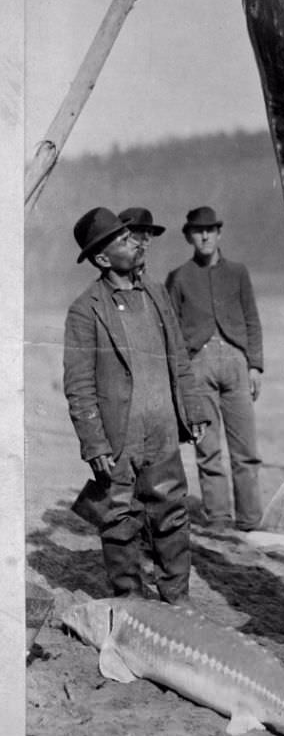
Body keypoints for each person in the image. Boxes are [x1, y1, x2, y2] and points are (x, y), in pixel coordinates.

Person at [63, 207, 208, 603]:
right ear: (103, 259)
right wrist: (94, 444)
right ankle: (129, 603)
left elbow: (178, 354)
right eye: (124, 240)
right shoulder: (85, 309)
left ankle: (177, 601)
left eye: (132, 237)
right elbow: (78, 384)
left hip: (161, 430)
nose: (135, 242)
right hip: (118, 437)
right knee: (119, 520)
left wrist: (192, 407)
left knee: (172, 515)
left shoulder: (156, 292)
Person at [165, 205, 264, 532]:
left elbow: (252, 320)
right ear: (188, 236)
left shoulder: (238, 272)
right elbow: (173, 332)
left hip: (236, 363)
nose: (205, 236)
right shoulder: (178, 278)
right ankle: (219, 522)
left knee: (246, 449)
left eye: (210, 229)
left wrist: (255, 366)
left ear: (219, 233)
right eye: (198, 231)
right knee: (208, 450)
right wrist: (181, 381)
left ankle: (250, 522)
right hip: (198, 368)